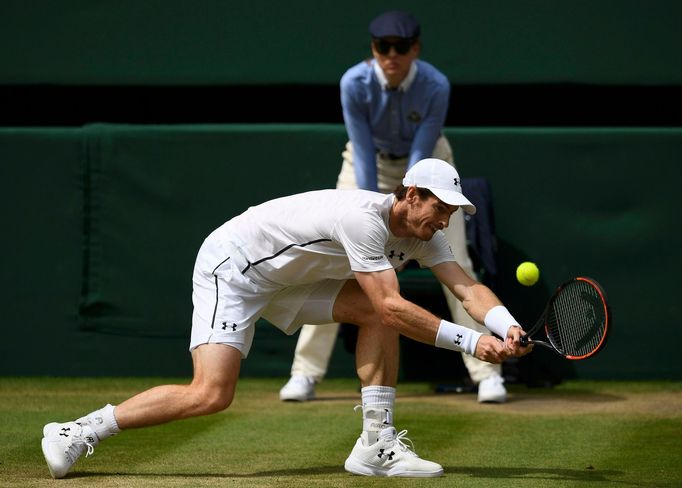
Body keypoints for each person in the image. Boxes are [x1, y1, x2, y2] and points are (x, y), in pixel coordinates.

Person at [41, 158, 530, 479]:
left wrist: (504, 324)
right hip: (235, 267)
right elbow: (390, 304)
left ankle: (374, 446)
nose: (445, 220)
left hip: (291, 278)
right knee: (211, 393)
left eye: (452, 212)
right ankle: (77, 431)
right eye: (440, 208)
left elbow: (466, 288)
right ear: (411, 194)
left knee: (377, 316)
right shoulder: (363, 218)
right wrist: (471, 343)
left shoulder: (427, 237)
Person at [280, 10, 507, 404]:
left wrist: (407, 213)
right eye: (382, 47)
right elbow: (364, 153)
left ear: (414, 50)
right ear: (373, 49)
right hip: (368, 166)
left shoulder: (435, 85)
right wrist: (371, 223)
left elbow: (422, 156)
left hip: (429, 169)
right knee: (337, 262)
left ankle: (487, 373)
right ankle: (305, 373)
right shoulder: (354, 82)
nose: (391, 55)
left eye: (400, 48)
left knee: (458, 265)